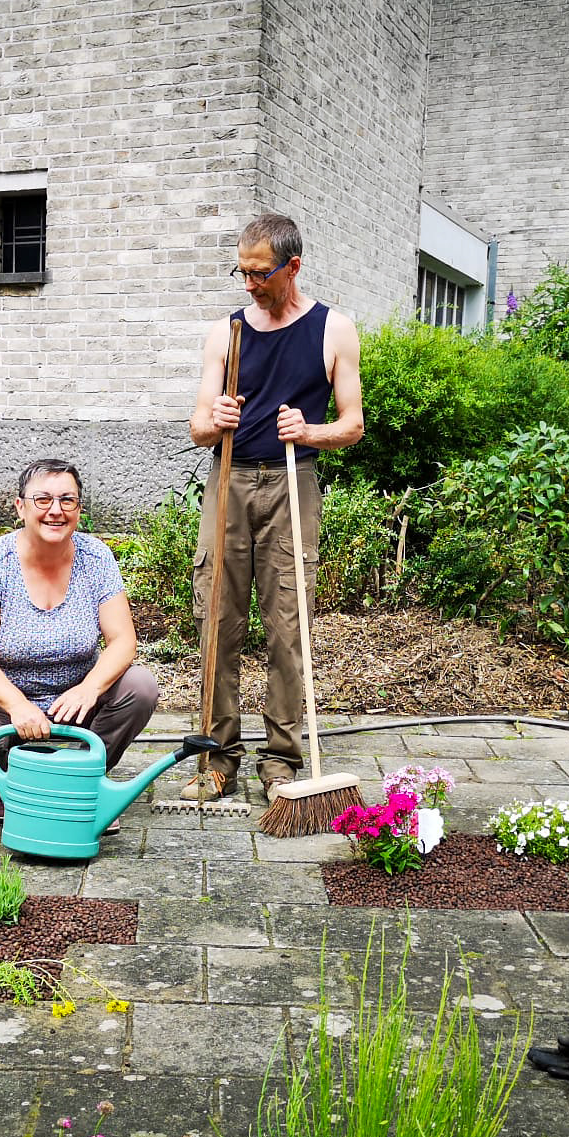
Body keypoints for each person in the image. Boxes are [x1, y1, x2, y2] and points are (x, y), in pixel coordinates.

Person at [181, 213, 364, 801]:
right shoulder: (226, 333)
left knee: (290, 626)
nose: (250, 282)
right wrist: (216, 423)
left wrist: (311, 430)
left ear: (294, 266)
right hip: (229, 479)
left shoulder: (334, 329)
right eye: (243, 271)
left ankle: (281, 759)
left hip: (293, 483)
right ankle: (216, 758)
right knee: (217, 618)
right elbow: (196, 426)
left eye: (261, 272)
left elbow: (352, 425)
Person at [0, 458, 159, 825]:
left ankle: (81, 778)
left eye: (67, 501)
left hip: (73, 695)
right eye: (42, 500)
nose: (55, 511)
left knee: (141, 687)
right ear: (20, 506)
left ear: (79, 508)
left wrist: (89, 689)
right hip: (3, 696)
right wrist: (16, 705)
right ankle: (10, 776)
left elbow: (123, 640)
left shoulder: (96, 557)